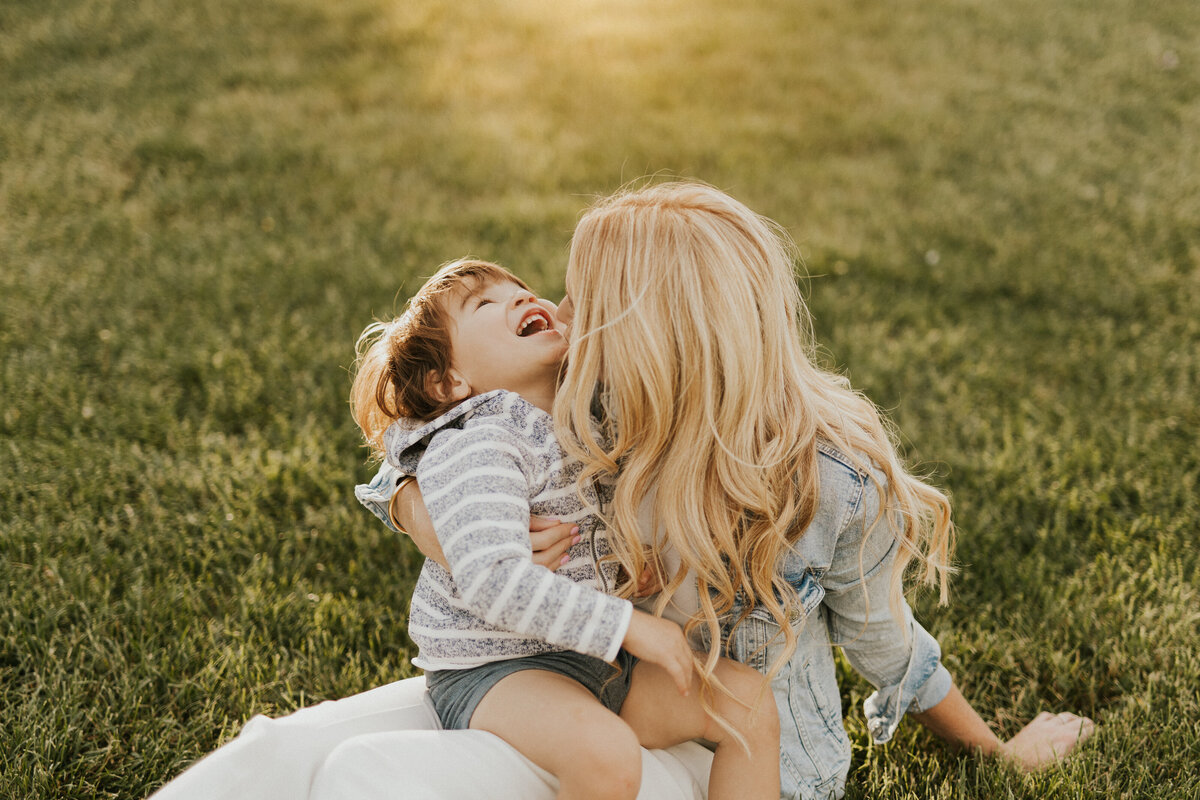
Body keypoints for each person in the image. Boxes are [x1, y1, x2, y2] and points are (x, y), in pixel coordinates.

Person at [380, 182, 1096, 798]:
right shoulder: (591, 409)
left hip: (757, 765)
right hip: (592, 697)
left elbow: (890, 645)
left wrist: (999, 754)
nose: (558, 310)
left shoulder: (830, 485)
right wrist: (427, 520)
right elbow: (423, 434)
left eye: (581, 299)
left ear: (656, 338)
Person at [347, 257, 779, 800]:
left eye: (522, 289)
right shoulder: (478, 442)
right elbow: (493, 582)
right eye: (485, 303)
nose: (521, 299)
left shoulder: (582, 419)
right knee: (607, 753)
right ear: (449, 381)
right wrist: (630, 625)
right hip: (500, 669)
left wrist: (625, 563)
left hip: (596, 664)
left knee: (749, 705)